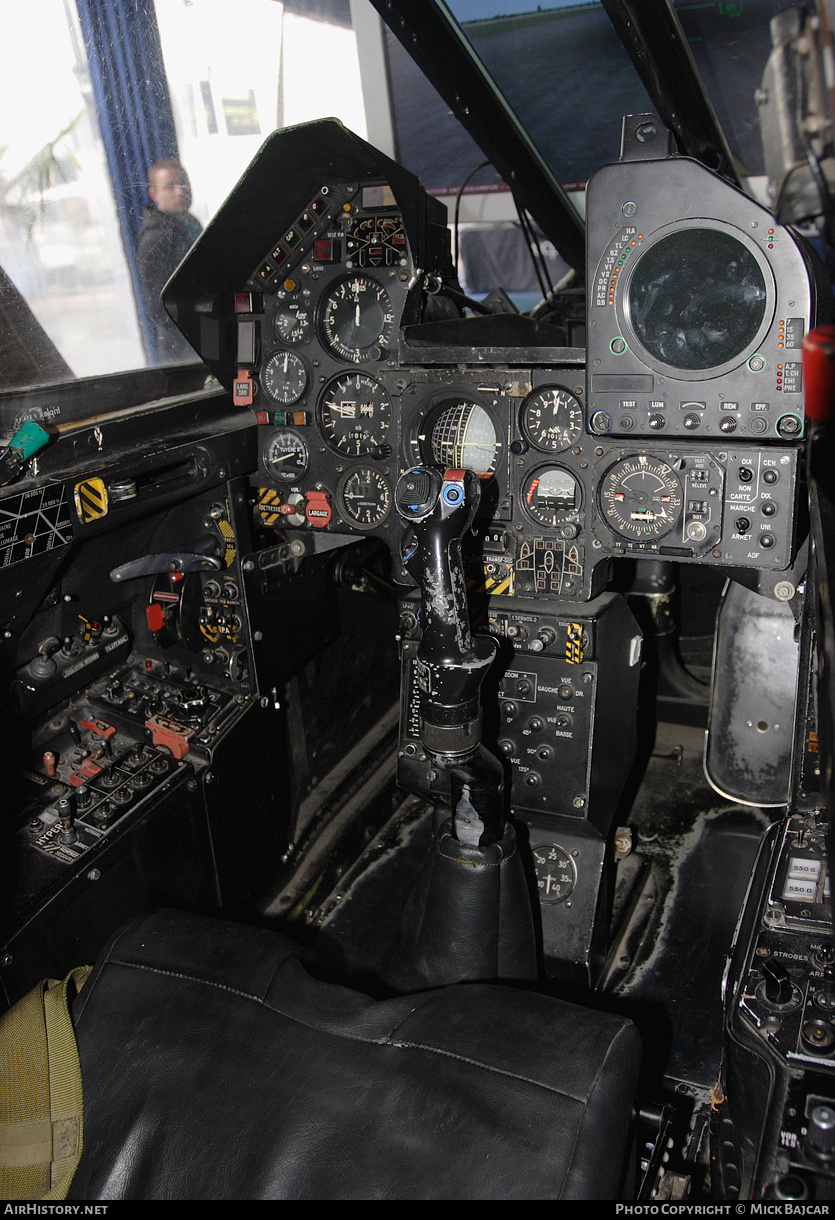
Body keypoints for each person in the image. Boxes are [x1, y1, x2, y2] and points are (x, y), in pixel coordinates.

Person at [137, 158, 203, 362]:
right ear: (154, 194)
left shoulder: (190, 223)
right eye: (169, 187)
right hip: (183, 349)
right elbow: (157, 307)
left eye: (183, 183)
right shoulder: (156, 238)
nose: (179, 191)